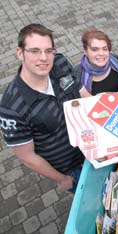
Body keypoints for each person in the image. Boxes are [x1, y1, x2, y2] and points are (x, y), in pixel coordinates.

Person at [0, 23, 91, 193]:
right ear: (20, 53)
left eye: (49, 51)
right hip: (72, 169)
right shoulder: (11, 108)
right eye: (35, 51)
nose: (44, 58)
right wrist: (62, 179)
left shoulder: (60, 63)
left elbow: (82, 91)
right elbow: (27, 157)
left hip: (94, 147)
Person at [74, 29, 118, 95]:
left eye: (105, 49)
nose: (101, 53)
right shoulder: (77, 74)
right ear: (85, 51)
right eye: (94, 49)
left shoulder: (117, 61)